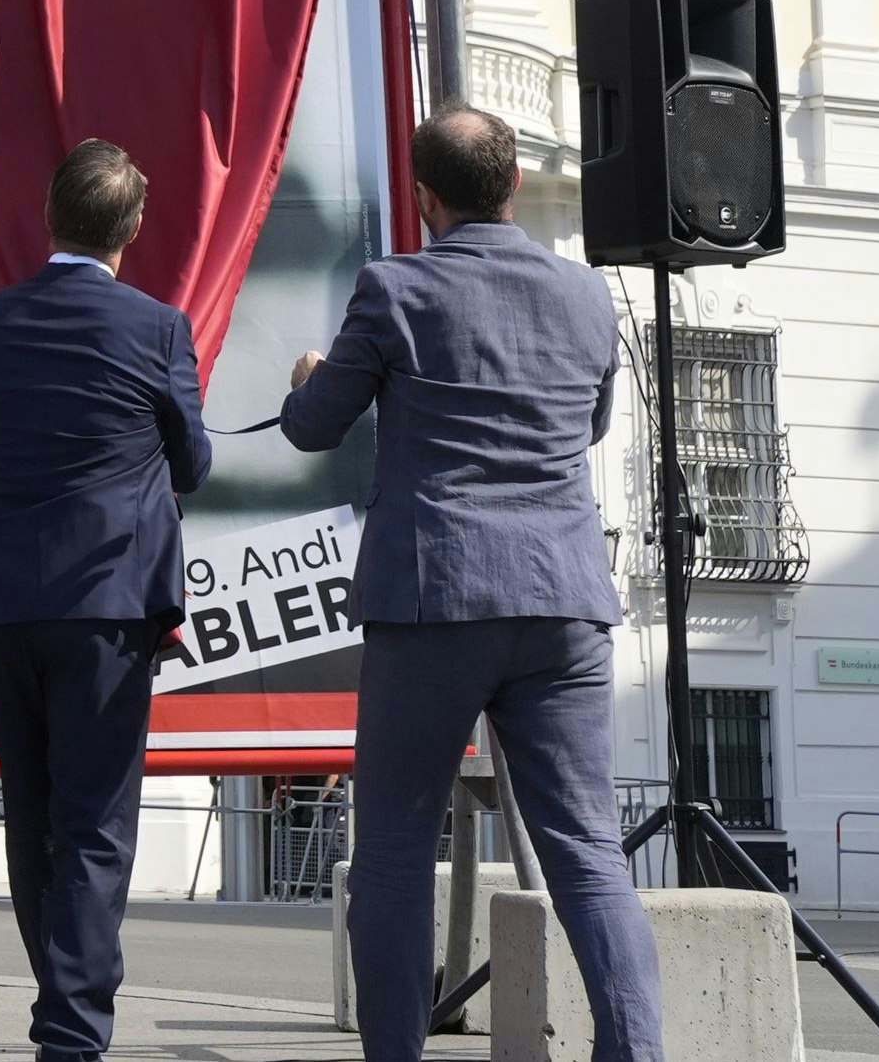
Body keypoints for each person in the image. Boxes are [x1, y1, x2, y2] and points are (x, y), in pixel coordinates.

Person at [283, 105, 662, 1062]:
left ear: (425, 197)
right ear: (513, 187)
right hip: (563, 597)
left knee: (399, 848)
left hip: (435, 596)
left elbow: (315, 428)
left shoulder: (394, 288)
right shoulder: (585, 295)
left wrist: (309, 377)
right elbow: (587, 427)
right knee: (587, 848)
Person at [0, 139, 211, 1062]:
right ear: (133, 230)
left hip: (0, 601)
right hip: (106, 606)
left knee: (34, 810)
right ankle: (72, 1025)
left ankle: (64, 992)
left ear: (49, 215)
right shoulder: (159, 329)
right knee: (94, 821)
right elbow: (194, 465)